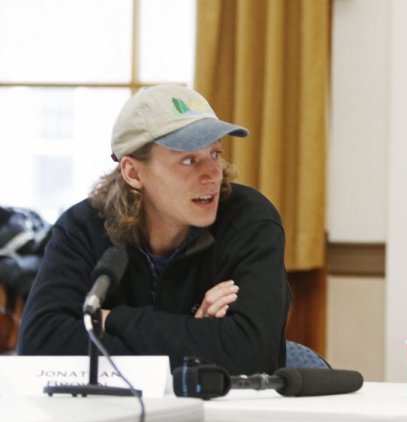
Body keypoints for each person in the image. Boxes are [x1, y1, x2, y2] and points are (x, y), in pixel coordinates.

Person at [18, 84, 291, 375]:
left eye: (214, 154)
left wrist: (111, 320)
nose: (213, 174)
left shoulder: (249, 221)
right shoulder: (83, 228)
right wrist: (195, 341)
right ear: (133, 173)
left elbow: (253, 354)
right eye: (188, 160)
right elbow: (40, 346)